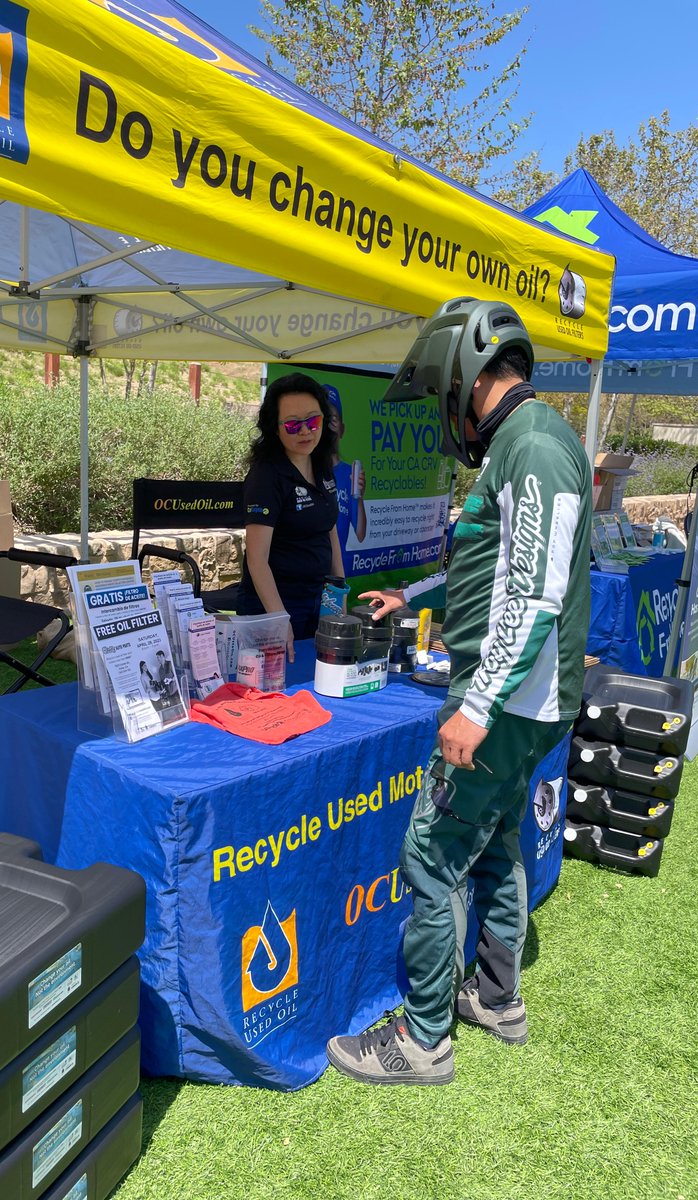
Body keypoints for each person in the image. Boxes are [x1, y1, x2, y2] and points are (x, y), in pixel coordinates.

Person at [326, 296, 592, 1086]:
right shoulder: (523, 441)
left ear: (463, 377)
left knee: (432, 856)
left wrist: (476, 708)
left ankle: (423, 1039)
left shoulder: (534, 445)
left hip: (506, 704)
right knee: (499, 839)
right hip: (520, 701)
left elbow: (534, 593)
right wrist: (420, 595)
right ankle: (497, 998)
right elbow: (495, 561)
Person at [236, 372, 344, 659]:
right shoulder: (266, 476)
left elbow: (329, 529)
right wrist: (278, 619)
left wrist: (338, 594)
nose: (306, 431)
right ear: (275, 427)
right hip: (274, 603)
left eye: (313, 421)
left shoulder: (322, 465)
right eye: (293, 425)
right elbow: (257, 559)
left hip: (317, 599)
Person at [324, 384, 368, 551]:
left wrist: (360, 498)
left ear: (342, 429)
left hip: (337, 573)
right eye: (324, 419)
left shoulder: (350, 474)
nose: (328, 425)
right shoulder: (306, 471)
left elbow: (361, 534)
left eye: (333, 419)